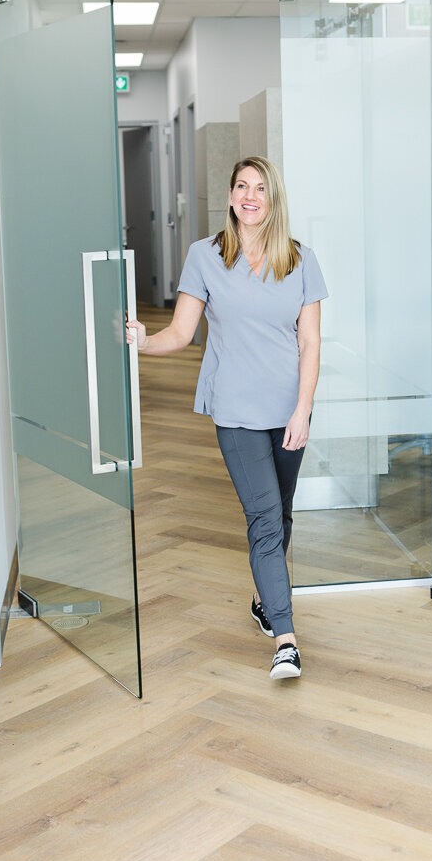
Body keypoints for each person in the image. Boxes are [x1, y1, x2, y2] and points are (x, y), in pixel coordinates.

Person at [126, 156, 328, 680]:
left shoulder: (300, 259)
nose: (250, 196)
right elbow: (181, 333)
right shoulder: (206, 255)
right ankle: (286, 638)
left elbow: (310, 342)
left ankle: (264, 596)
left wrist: (303, 409)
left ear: (273, 197)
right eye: (242, 186)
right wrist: (142, 343)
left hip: (289, 410)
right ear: (231, 195)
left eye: (260, 188)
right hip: (236, 410)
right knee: (263, 518)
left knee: (281, 513)